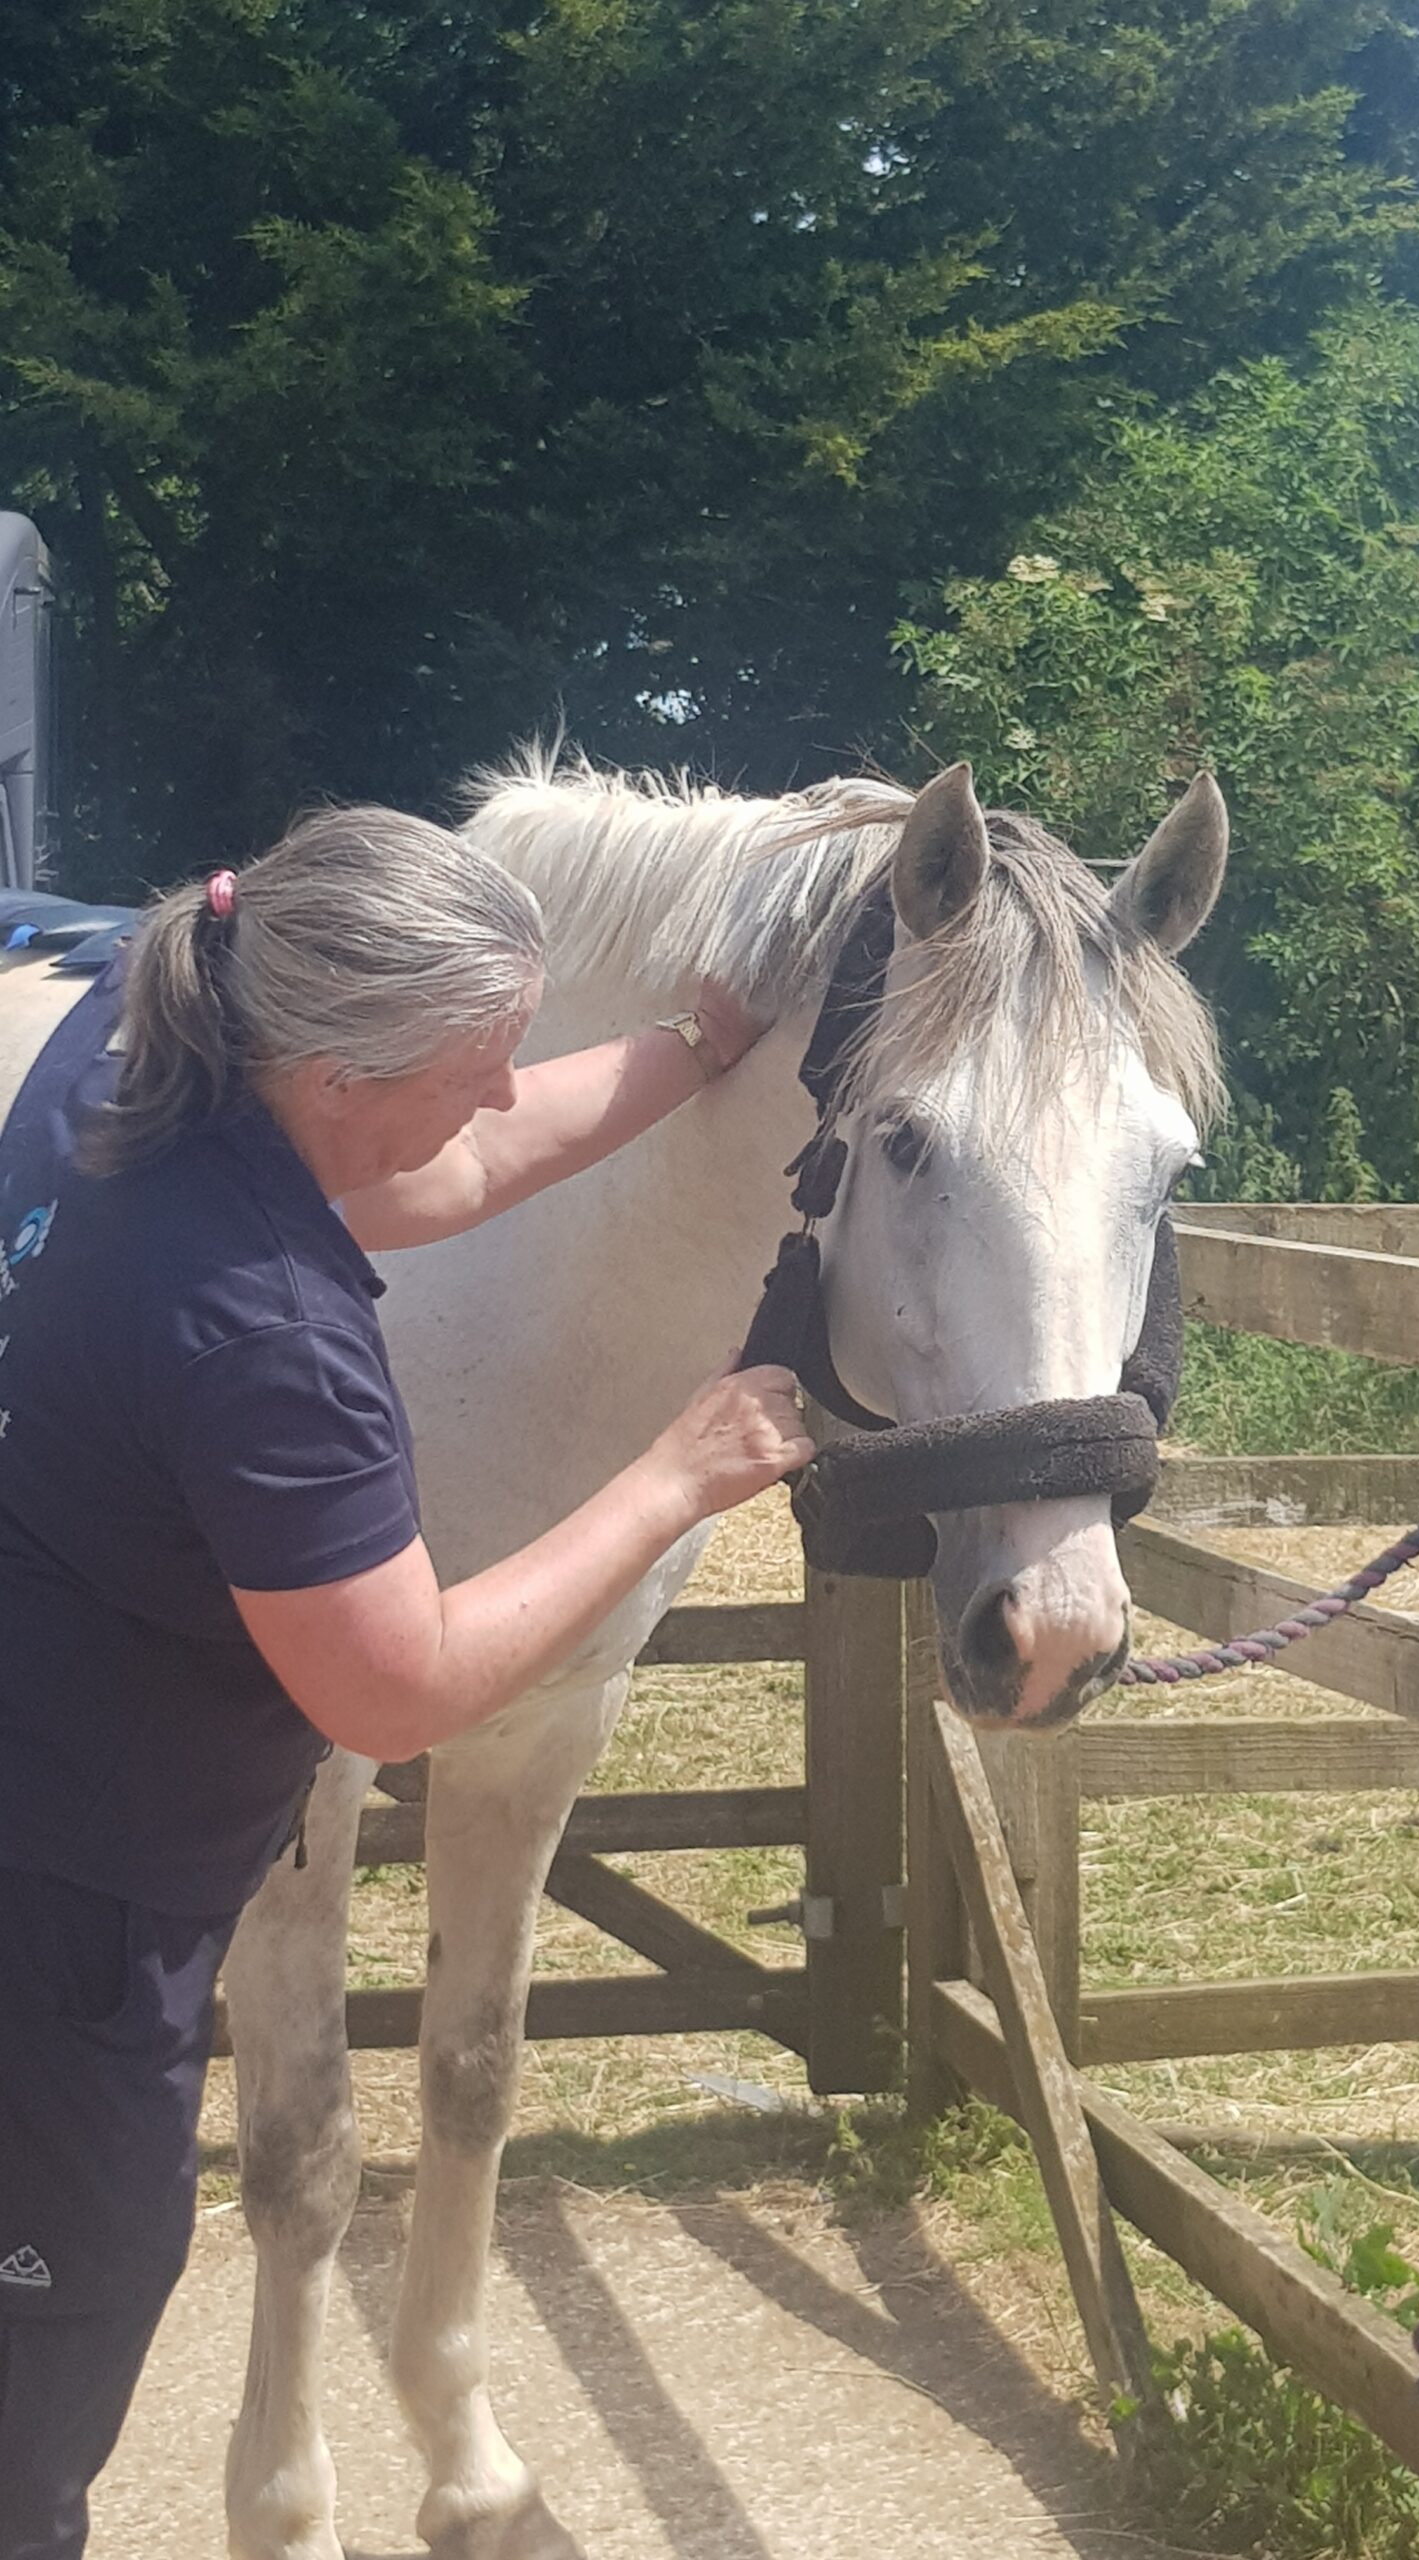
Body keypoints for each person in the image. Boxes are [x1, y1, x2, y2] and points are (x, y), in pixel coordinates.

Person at [0, 804, 812, 2559]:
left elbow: (464, 1161)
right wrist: (675, 1479)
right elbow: (397, 1693)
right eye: (482, 1059)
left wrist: (684, 1053)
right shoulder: (274, 1332)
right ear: (345, 1074)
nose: (510, 1092)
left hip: (41, 1770)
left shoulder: (127, 1078)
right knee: (37, 2388)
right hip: (70, 1899)